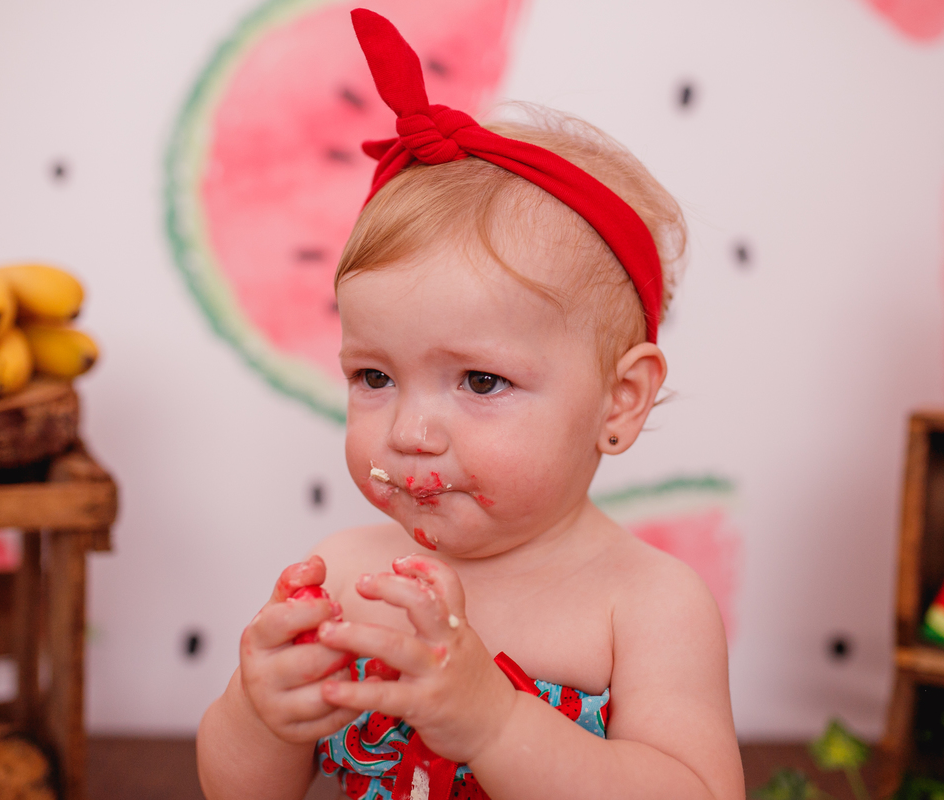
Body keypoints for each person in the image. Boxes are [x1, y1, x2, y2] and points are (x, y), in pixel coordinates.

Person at [197, 9, 743, 800]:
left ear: (619, 401)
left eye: (481, 382)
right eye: (374, 378)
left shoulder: (650, 607)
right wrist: (257, 714)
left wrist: (496, 725)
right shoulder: (351, 575)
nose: (411, 432)